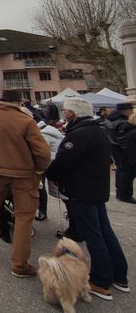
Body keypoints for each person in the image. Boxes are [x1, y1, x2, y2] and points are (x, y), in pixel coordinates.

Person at [46, 97, 130, 301]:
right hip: (97, 188)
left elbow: (63, 162)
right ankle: (119, 276)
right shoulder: (98, 129)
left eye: (65, 111)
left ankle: (101, 281)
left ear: (72, 113)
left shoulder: (78, 135)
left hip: (81, 190)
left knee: (93, 235)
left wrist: (52, 174)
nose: (64, 114)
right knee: (105, 232)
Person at [0, 90, 51, 278]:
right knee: (24, 218)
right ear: (18, 102)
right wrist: (39, 170)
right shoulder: (26, 121)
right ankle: (19, 264)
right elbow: (43, 153)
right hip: (23, 175)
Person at [104, 102, 134, 203]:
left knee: (120, 170)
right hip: (122, 149)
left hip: (114, 147)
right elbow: (125, 139)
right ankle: (125, 195)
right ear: (126, 111)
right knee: (127, 172)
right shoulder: (122, 122)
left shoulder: (109, 119)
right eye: (131, 110)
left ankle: (120, 193)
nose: (132, 112)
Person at [117, 113, 136, 206]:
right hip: (131, 158)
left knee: (125, 176)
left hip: (126, 157)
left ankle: (122, 194)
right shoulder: (133, 132)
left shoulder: (126, 129)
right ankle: (125, 195)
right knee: (127, 177)